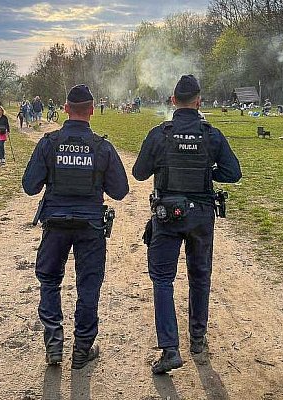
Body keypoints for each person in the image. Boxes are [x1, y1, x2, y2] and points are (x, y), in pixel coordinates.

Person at [132, 75, 242, 374]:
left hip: (168, 215)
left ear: (172, 101)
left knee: (163, 279)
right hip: (202, 216)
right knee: (200, 276)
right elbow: (233, 173)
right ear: (199, 102)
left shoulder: (161, 133)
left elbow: (139, 172)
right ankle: (197, 338)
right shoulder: (212, 134)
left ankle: (169, 349)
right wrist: (207, 172)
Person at [22, 84, 129, 369]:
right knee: (89, 286)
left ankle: (53, 344)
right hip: (90, 226)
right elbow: (120, 191)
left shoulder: (49, 143)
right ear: (92, 111)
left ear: (66, 109)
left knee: (49, 280)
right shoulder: (102, 147)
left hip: (55, 224)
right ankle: (82, 349)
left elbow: (30, 186)